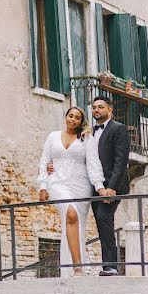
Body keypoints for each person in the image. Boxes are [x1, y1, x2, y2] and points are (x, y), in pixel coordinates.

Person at [37, 107, 109, 278]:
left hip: (80, 185)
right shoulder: (53, 136)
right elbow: (44, 161)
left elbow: (93, 163)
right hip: (57, 182)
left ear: (80, 121)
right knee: (70, 214)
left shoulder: (87, 138)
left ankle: (75, 268)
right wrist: (42, 186)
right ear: (66, 117)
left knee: (76, 223)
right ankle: (77, 267)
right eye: (70, 116)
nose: (73, 120)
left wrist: (99, 187)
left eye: (77, 118)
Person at [89, 95, 131, 276]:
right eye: (94, 107)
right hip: (95, 187)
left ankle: (111, 266)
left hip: (114, 186)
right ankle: (109, 265)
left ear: (109, 110)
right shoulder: (90, 132)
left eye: (100, 107)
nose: (96, 110)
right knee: (101, 222)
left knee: (104, 218)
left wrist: (112, 187)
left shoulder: (119, 129)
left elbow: (121, 160)